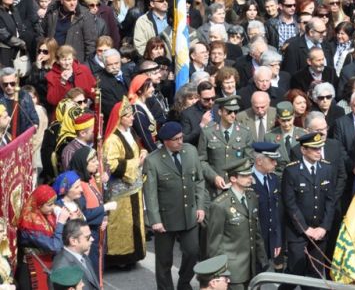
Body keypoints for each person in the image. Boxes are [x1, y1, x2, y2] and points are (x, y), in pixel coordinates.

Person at [143, 122, 207, 290]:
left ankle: (184, 283)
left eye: (181, 137)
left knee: (192, 252)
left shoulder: (190, 152)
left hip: (189, 214)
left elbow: (199, 180)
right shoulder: (153, 160)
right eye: (176, 139)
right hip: (166, 218)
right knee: (164, 260)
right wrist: (155, 220)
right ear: (165, 141)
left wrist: (200, 206)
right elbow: (150, 194)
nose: (180, 141)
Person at [280, 132, 337, 284]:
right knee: (294, 273)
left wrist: (324, 228)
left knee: (316, 275)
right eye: (314, 149)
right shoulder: (291, 171)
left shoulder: (327, 169)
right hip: (298, 233)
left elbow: (331, 201)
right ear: (303, 150)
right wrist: (305, 229)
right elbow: (290, 204)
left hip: (319, 233)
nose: (319, 151)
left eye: (320, 148)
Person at [206, 158, 267, 290]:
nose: (249, 178)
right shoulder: (220, 205)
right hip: (233, 271)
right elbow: (214, 243)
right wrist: (219, 272)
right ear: (233, 179)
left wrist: (262, 259)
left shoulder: (251, 197)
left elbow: (256, 231)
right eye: (244, 175)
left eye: (250, 174)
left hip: (252, 266)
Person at [102, 96, 147, 268]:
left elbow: (136, 148)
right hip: (120, 191)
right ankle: (119, 257)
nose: (133, 118)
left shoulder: (130, 133)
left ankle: (133, 255)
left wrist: (142, 152)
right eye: (129, 116)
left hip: (134, 187)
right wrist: (137, 162)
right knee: (122, 223)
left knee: (134, 221)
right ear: (120, 118)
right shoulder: (113, 139)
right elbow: (112, 164)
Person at [17, 185, 70, 290]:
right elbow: (55, 247)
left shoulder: (46, 216)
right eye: (49, 205)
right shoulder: (29, 224)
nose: (53, 207)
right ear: (39, 205)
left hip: (48, 265)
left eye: (54, 204)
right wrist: (60, 223)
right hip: (33, 267)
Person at [251, 142, 283, 270]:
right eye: (272, 160)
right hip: (253, 241)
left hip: (269, 239)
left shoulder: (273, 179)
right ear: (259, 161)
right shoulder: (247, 180)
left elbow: (276, 213)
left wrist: (277, 240)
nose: (275, 163)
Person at [51, 219, 100, 290]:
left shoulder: (82, 255)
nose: (92, 239)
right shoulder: (61, 267)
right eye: (87, 237)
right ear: (73, 241)